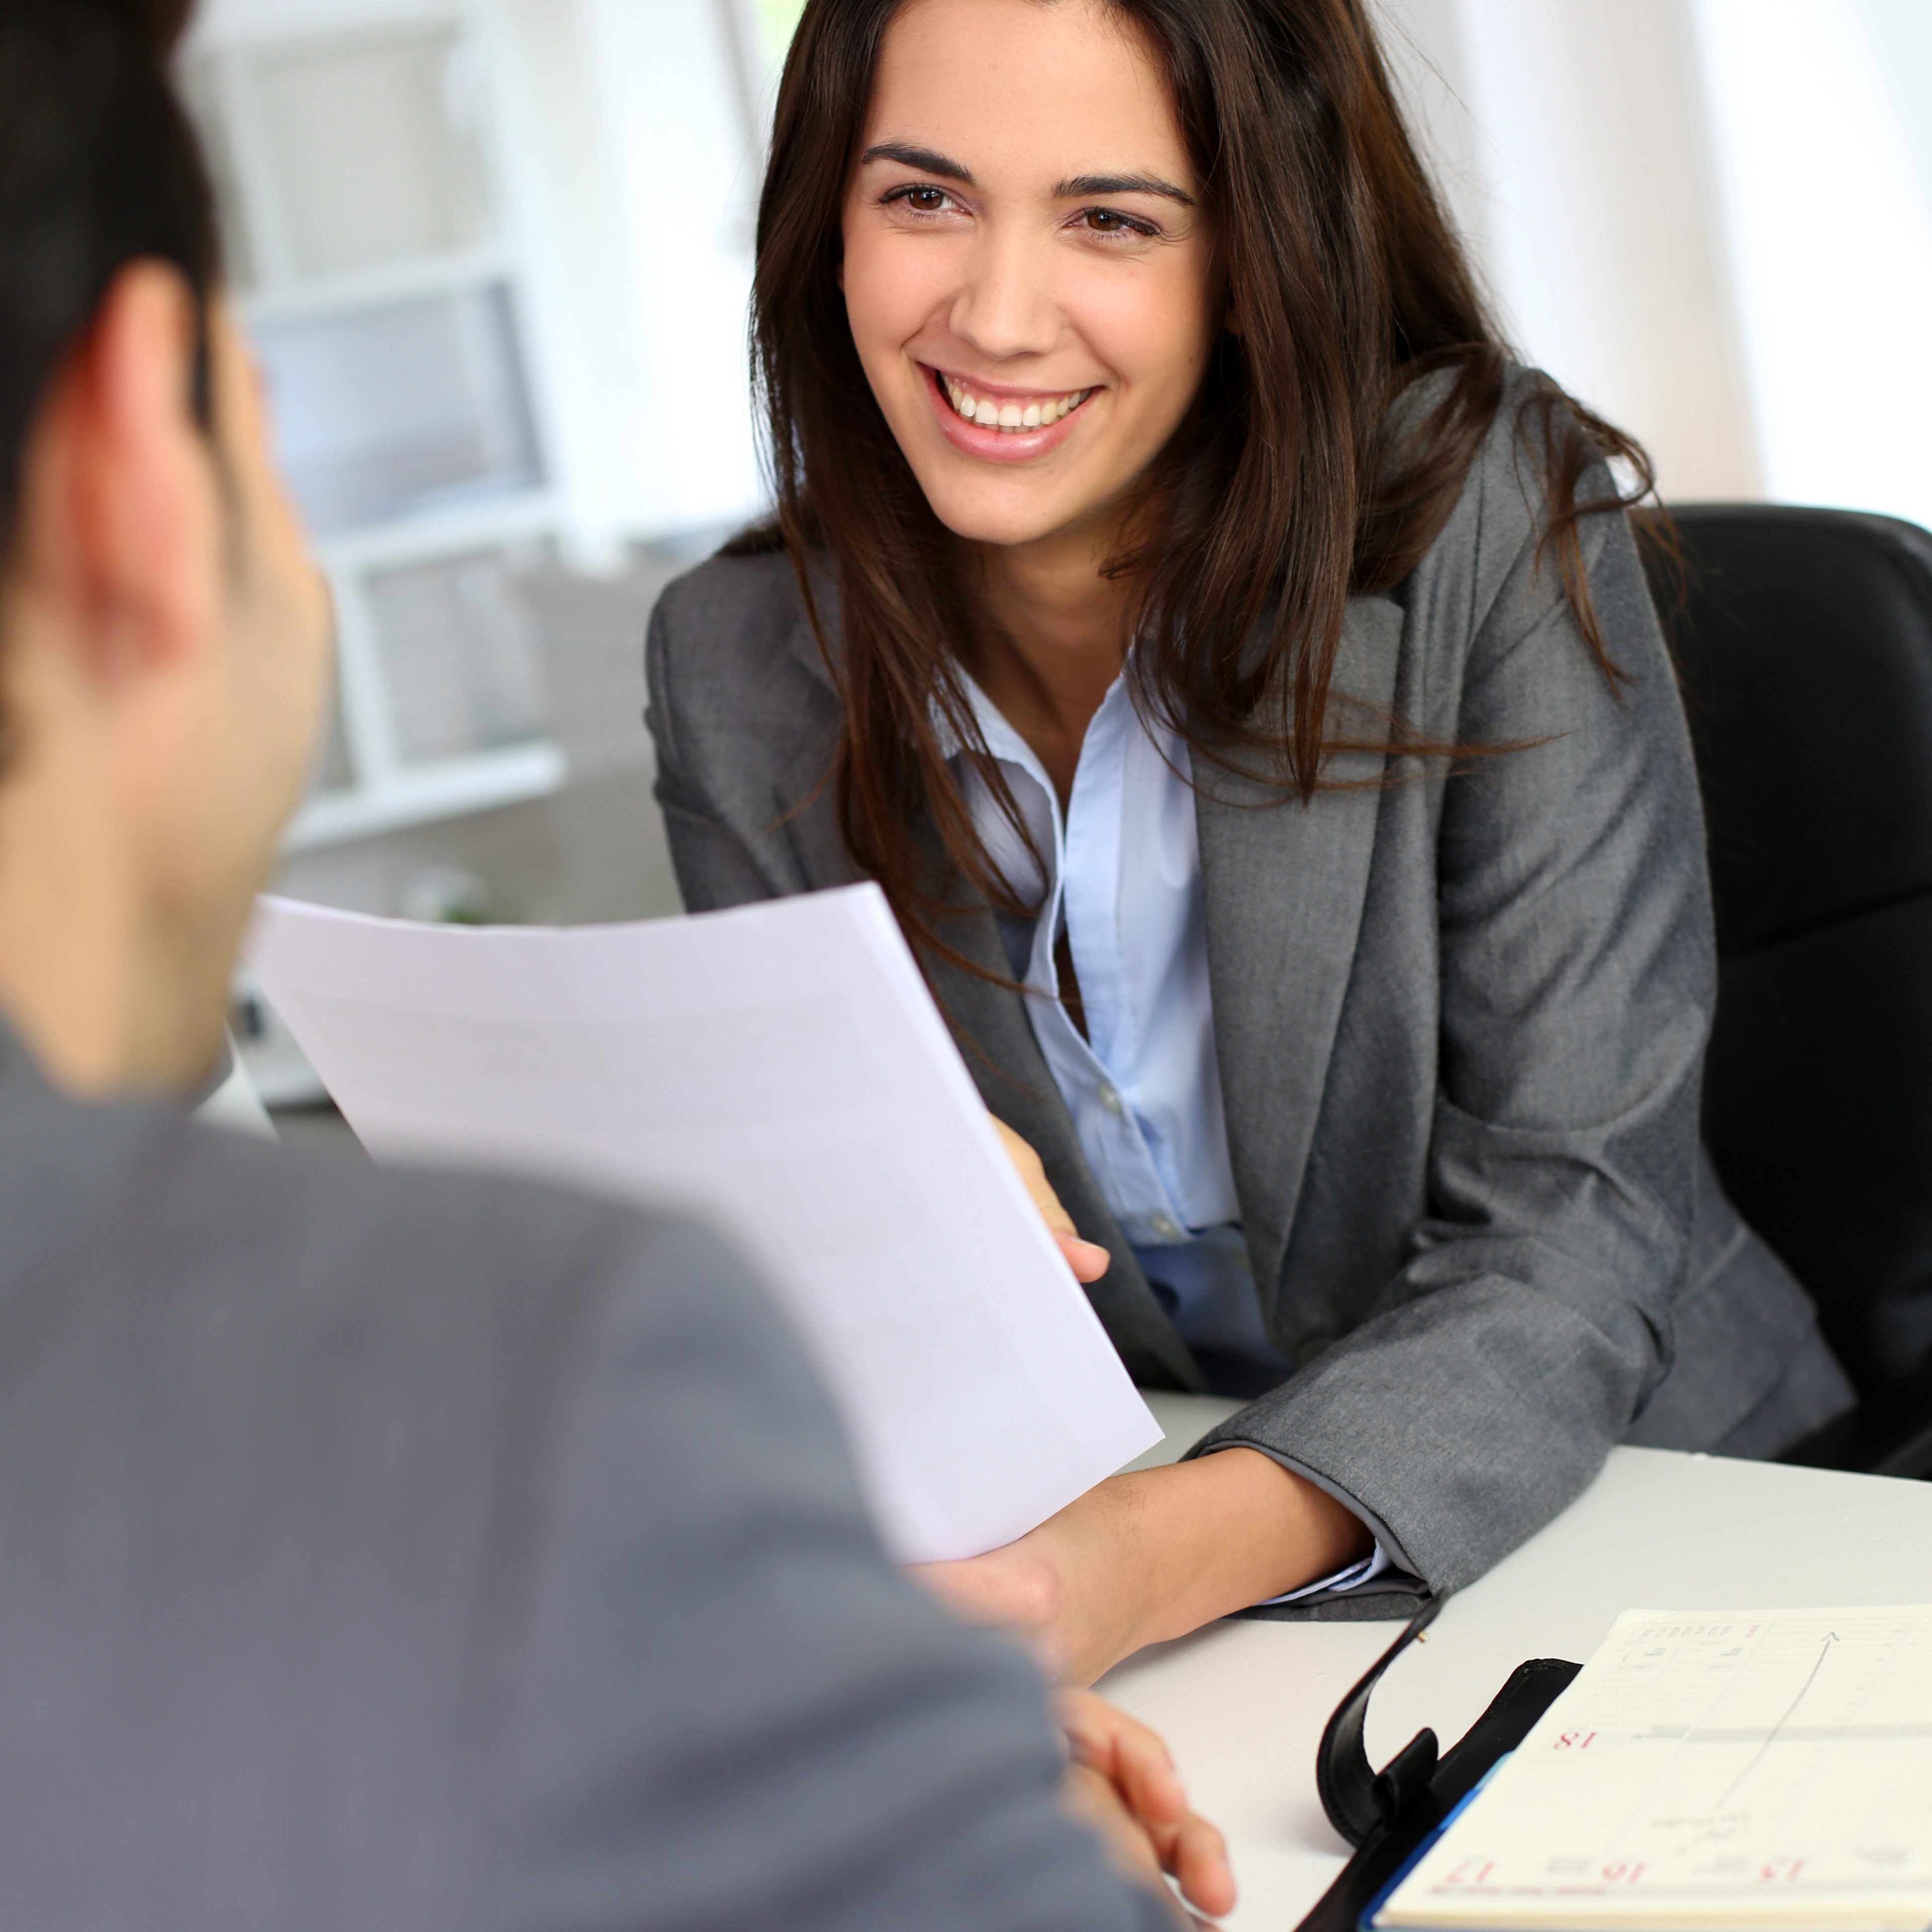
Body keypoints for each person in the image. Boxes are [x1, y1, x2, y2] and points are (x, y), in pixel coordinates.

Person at [0, 2, 1236, 1925]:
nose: (1001, 314)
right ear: (134, 470)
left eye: (1110, 219)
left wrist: (779, 1702)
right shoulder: (496, 1370)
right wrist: (897, 1794)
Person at [645, 0, 1857, 1686]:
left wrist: (1121, 1575)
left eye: (1113, 220)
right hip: (1123, 1588)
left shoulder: (1483, 520)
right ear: (820, 221)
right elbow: (831, 1287)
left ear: (1259, 251)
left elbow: (1569, 1237)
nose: (993, 317)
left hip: (1651, 1517)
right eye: (920, 197)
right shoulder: (736, 668)